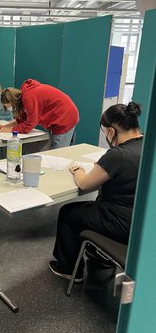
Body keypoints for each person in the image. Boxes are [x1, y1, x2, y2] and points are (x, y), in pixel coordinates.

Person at [49, 102, 143, 282]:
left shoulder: (118, 155)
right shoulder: (146, 145)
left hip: (121, 223)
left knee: (69, 213)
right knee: (93, 206)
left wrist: (77, 170)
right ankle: (99, 256)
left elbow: (84, 184)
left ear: (111, 131)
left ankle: (68, 269)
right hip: (141, 221)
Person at [0, 79, 79, 149]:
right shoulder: (24, 96)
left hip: (65, 117)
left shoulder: (28, 98)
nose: (10, 108)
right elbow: (22, 120)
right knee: (53, 150)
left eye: (9, 106)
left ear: (13, 101)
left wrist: (11, 130)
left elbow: (31, 123)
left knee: (58, 152)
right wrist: (5, 126)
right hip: (61, 115)